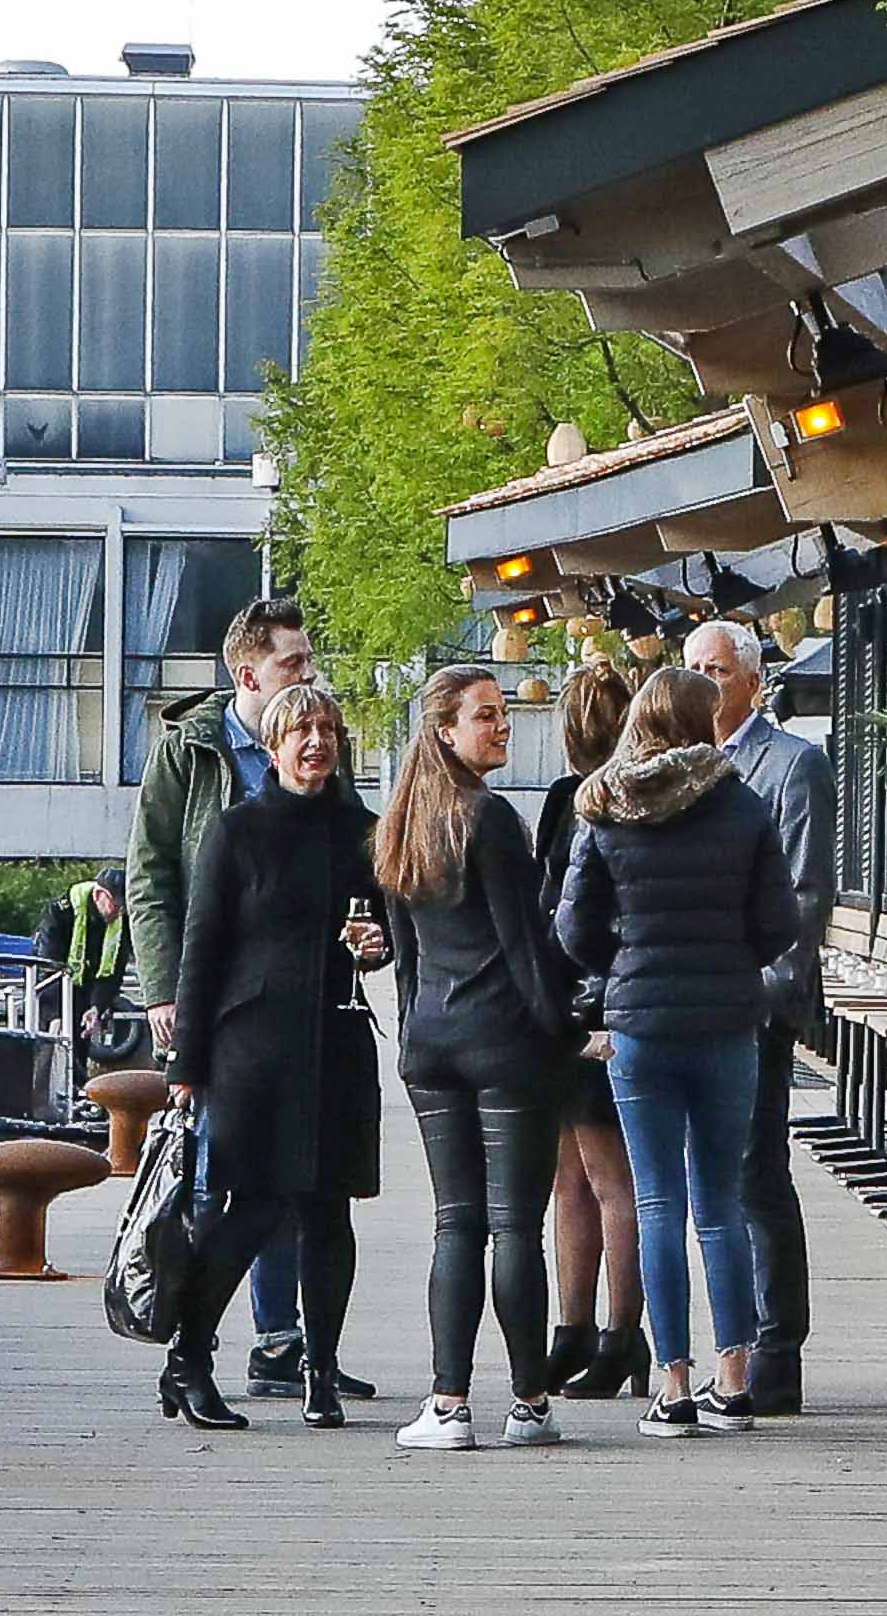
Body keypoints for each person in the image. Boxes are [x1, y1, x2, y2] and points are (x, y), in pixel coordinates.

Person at [553, 664, 805, 1441]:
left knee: (657, 1202)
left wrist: (620, 964)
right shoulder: (743, 805)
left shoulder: (606, 805)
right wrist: (734, 958)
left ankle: (673, 1384)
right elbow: (780, 922)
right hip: (729, 1022)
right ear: (703, 723)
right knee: (720, 1203)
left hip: (640, 1028)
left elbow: (572, 929)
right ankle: (736, 1381)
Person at [155, 674, 385, 1435]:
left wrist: (376, 947)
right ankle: (189, 1358)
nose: (316, 742)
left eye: (327, 730)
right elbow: (201, 948)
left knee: (330, 1211)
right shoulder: (238, 830)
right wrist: (186, 1066)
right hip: (254, 1044)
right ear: (273, 746)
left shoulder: (365, 830)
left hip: (338, 1040)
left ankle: (321, 1371)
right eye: (300, 732)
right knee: (249, 1208)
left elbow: (383, 934)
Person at [371, 663, 581, 1447]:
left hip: (432, 1040)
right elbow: (525, 947)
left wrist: (415, 1032)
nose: (503, 726)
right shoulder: (489, 819)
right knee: (516, 1225)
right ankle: (528, 1402)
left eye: (501, 714)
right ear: (446, 731)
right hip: (502, 1042)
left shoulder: (400, 819)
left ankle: (448, 1403)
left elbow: (405, 955)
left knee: (454, 1224)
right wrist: (561, 1030)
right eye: (486, 716)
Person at [133, 598, 329, 1397]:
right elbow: (151, 875)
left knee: (290, 1173)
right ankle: (195, 1346)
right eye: (293, 665)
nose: (308, 678)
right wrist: (164, 990)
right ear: (246, 675)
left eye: (310, 662)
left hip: (296, 1001)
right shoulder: (190, 749)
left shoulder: (314, 745)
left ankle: (281, 1342)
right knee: (224, 1176)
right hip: (216, 997)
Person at [673, 618, 838, 1418]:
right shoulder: (677, 768)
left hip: (753, 1008)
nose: (706, 683)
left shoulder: (792, 766)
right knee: (708, 1181)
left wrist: (764, 997)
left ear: (751, 680)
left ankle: (777, 1350)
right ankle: (727, 1346)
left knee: (755, 1174)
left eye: (718, 669)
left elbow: (805, 896)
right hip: (689, 1005)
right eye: (693, 670)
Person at [518, 658, 647, 1392]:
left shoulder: (579, 800)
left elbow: (555, 905)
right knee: (583, 1174)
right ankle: (586, 1331)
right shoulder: (619, 799)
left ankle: (610, 1333)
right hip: (592, 1002)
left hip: (581, 1005)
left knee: (592, 1176)